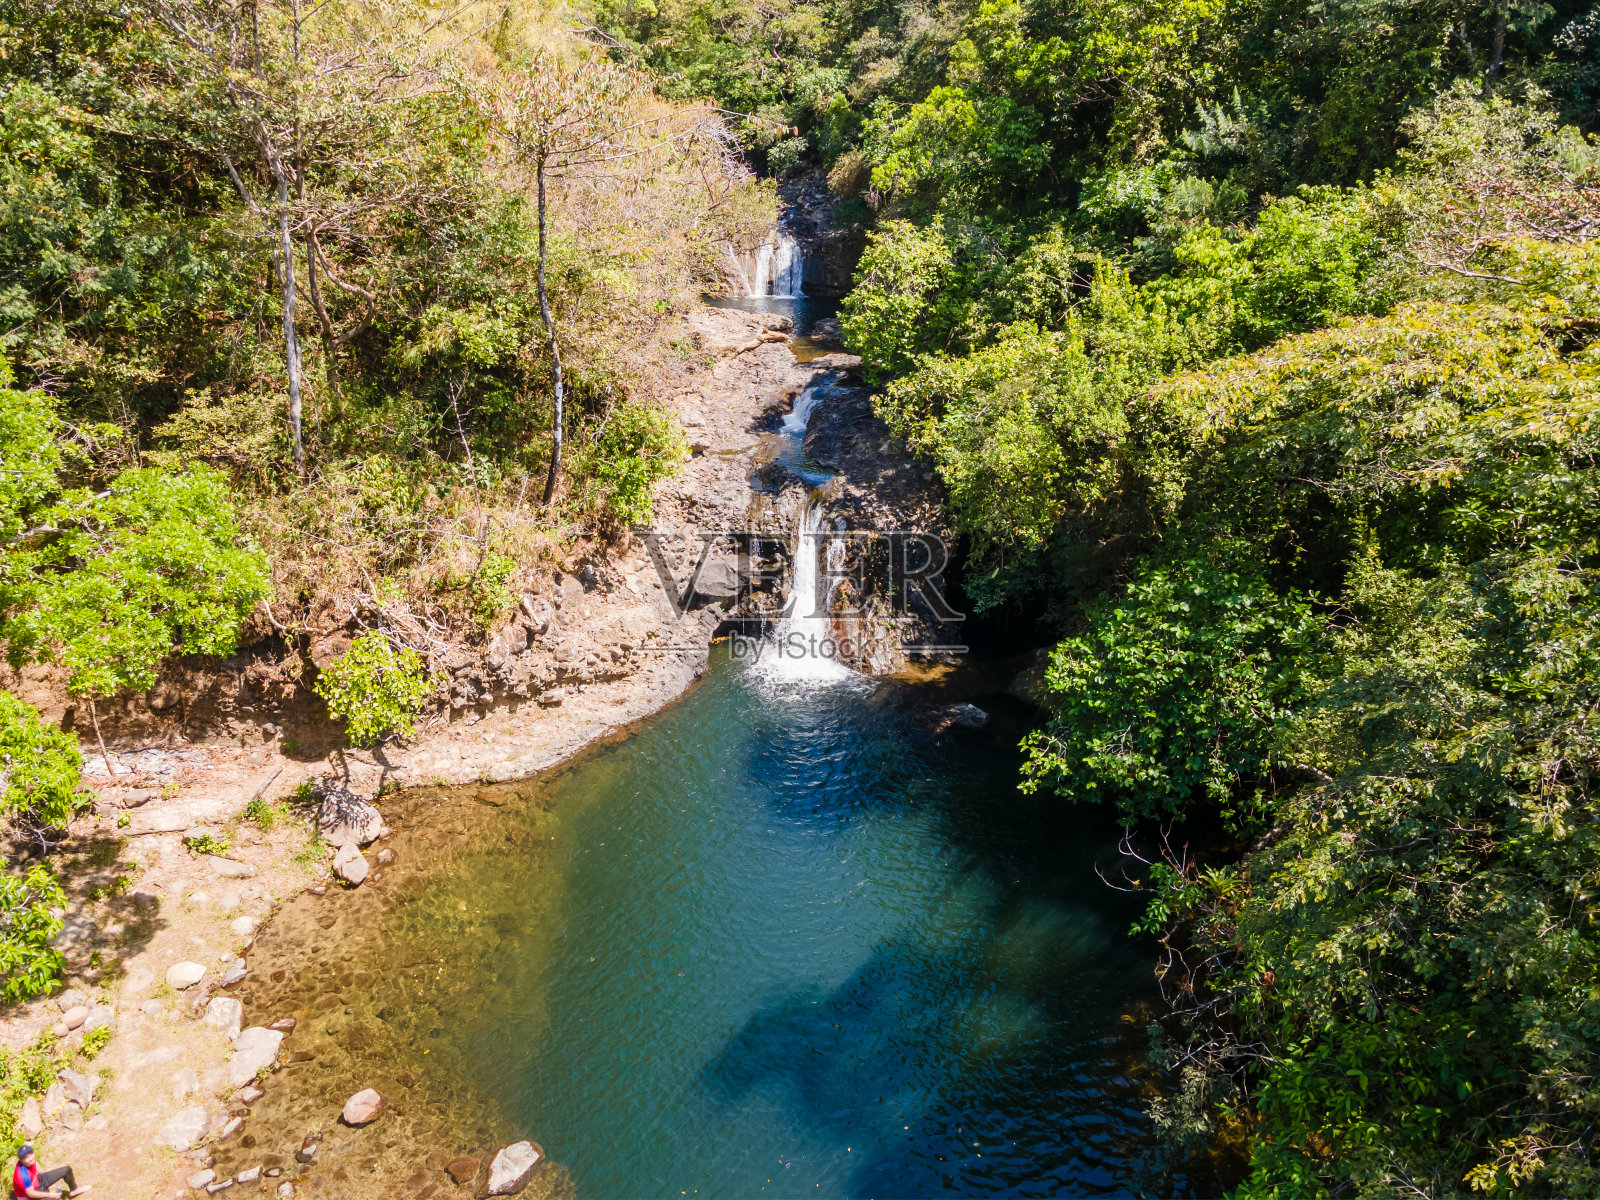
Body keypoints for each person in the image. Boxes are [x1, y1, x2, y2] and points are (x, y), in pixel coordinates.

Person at [11, 1146, 88, 1199]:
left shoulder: (30, 1161)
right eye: (27, 1157)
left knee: (66, 1170)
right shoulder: (23, 1176)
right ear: (21, 1160)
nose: (31, 1158)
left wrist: (52, 1171)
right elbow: (30, 1194)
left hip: (37, 1181)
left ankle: (74, 1190)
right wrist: (50, 1195)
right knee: (54, 1198)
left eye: (31, 1154)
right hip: (31, 1196)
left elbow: (37, 1167)